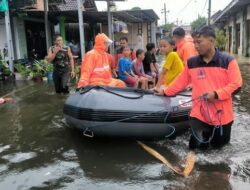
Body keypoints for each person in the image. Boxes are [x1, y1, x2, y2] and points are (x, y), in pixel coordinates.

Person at [155, 26, 243, 150]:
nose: (196, 46)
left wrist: (216, 94)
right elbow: (180, 82)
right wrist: (164, 91)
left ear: (211, 41)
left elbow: (237, 85)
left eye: (199, 42)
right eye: (194, 42)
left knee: (219, 152)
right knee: (195, 150)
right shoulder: (192, 62)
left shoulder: (228, 61)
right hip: (199, 114)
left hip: (221, 117)